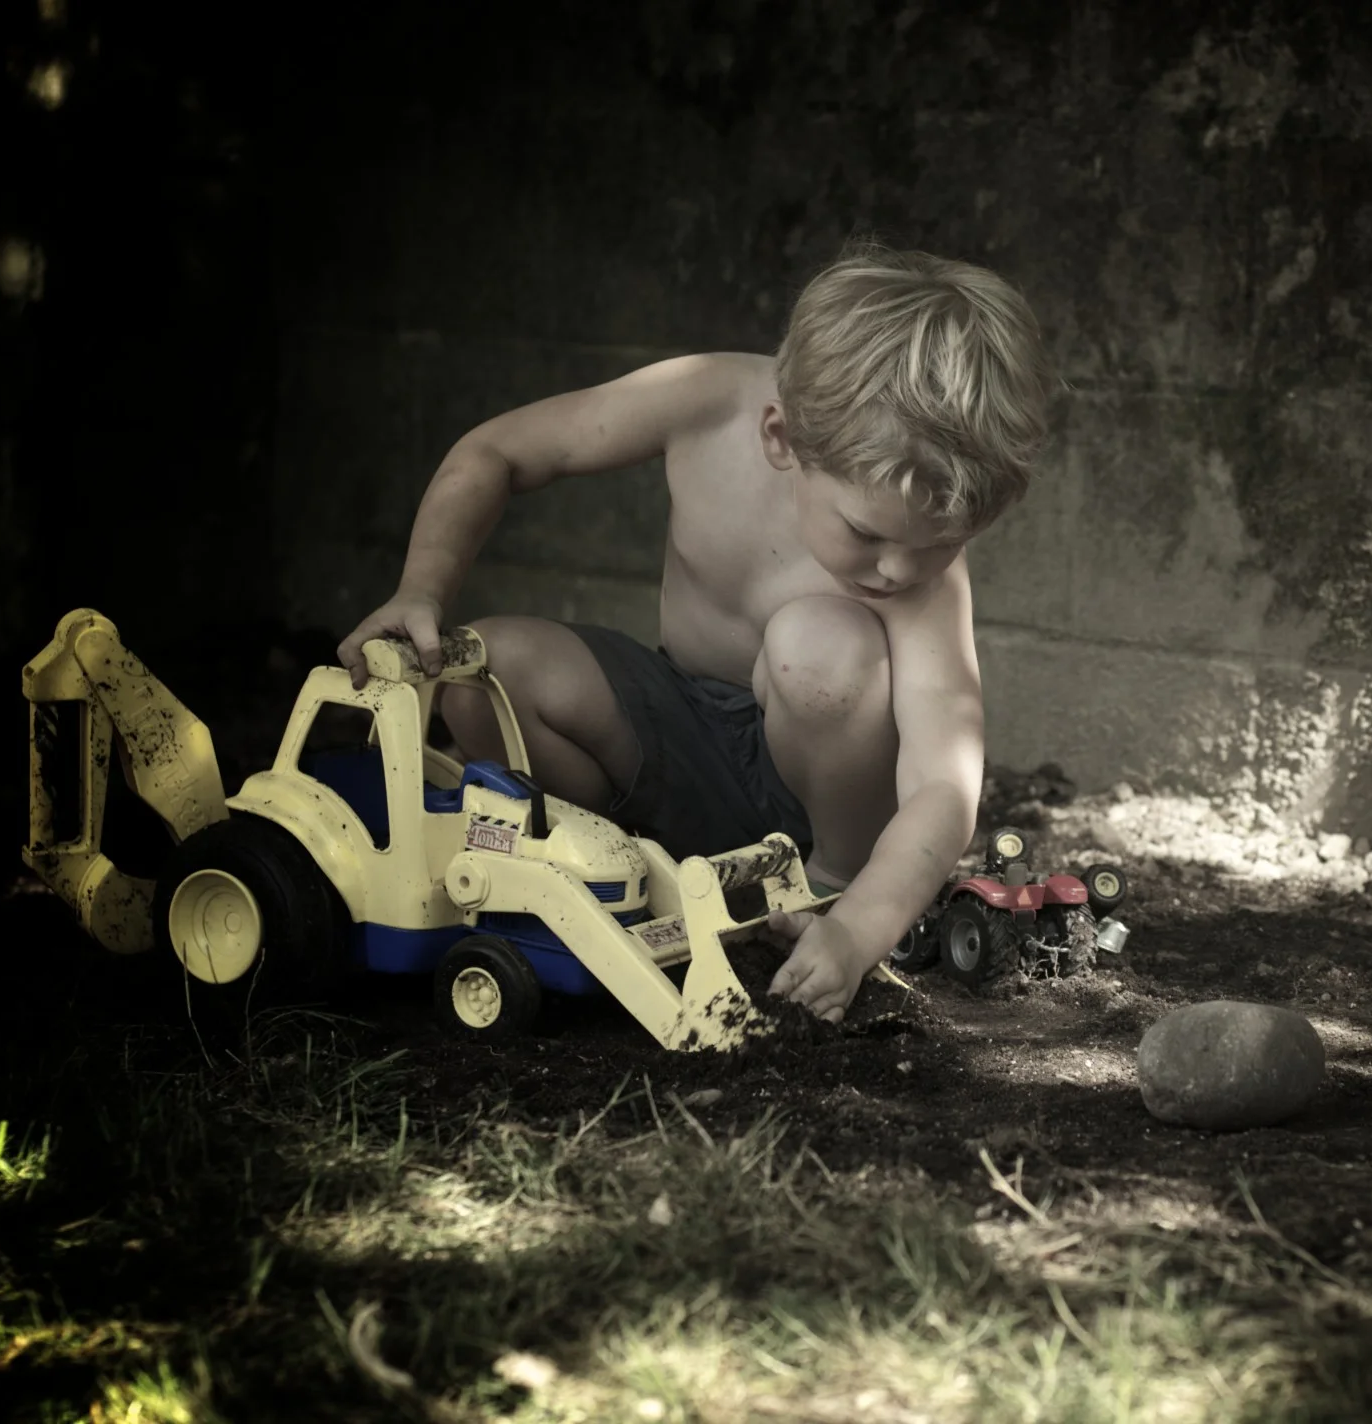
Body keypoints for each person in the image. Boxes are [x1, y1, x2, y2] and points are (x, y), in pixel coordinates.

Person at [335, 243, 1053, 1022]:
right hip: (681, 724)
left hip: (824, 802)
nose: (897, 571)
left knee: (818, 646)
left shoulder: (923, 582)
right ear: (782, 440)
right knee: (487, 673)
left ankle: (825, 889)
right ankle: (617, 863)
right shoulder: (705, 402)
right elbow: (499, 451)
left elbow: (945, 786)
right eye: (867, 534)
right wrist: (420, 591)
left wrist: (859, 929)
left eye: (939, 543)